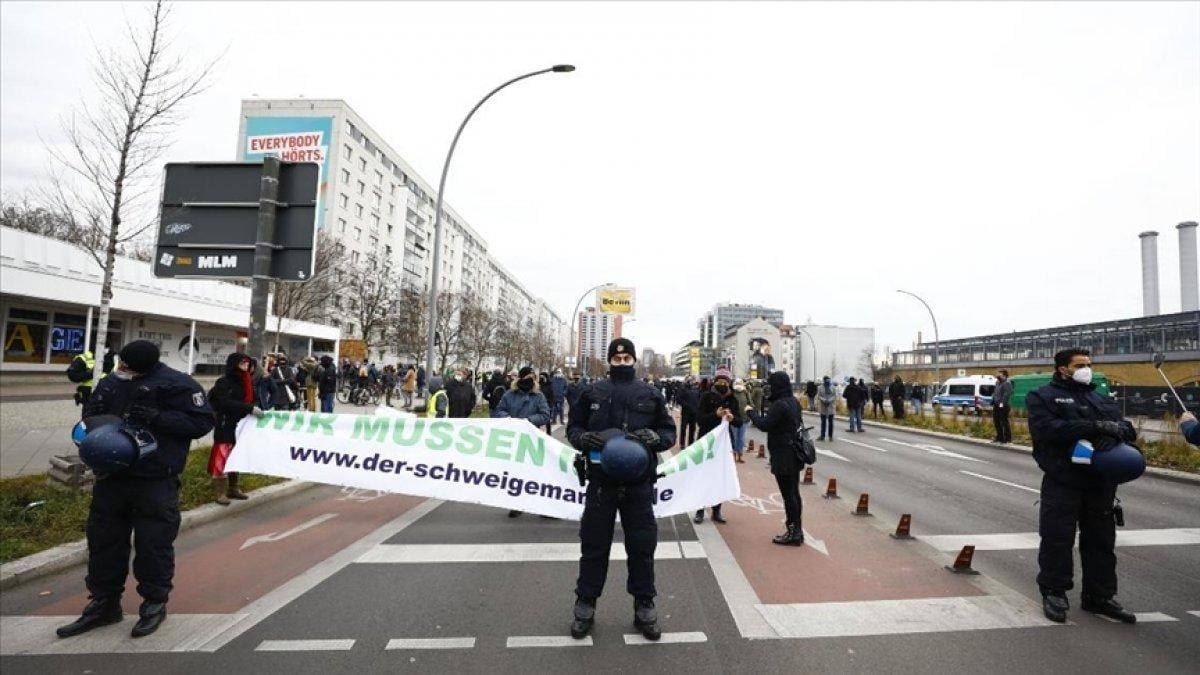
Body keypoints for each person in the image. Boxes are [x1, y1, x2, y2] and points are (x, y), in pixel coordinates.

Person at [58, 341, 214, 639]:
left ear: (144, 366)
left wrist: (158, 418)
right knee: (103, 541)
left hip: (155, 479)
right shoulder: (111, 382)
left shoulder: (177, 384)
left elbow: (202, 421)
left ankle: (154, 603)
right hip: (112, 478)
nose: (122, 370)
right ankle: (104, 603)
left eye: (128, 366)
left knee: (153, 544)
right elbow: (91, 414)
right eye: (122, 364)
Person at [568, 338, 675, 641]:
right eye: (617, 359)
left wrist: (654, 438)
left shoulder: (650, 394)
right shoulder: (592, 392)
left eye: (627, 358)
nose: (622, 362)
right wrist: (584, 439)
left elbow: (669, 432)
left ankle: (644, 604)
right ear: (609, 361)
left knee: (642, 547)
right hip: (602, 482)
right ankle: (585, 604)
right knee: (593, 545)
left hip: (638, 484)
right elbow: (574, 427)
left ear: (634, 360)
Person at [1027, 348, 1138, 625]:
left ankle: (1099, 596)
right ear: (1063, 368)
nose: (1086, 368)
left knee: (1101, 542)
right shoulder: (1042, 397)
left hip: (1100, 483)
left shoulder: (1100, 397)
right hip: (1063, 479)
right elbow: (1048, 430)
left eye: (1088, 364)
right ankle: (1054, 592)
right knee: (1057, 539)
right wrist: (1094, 427)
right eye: (1079, 365)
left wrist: (1112, 433)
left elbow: (1128, 429)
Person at [746, 371, 806, 545]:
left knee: (788, 495)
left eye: (771, 384)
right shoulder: (793, 402)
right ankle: (797, 530)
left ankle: (793, 533)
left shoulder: (779, 405)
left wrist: (751, 412)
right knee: (794, 493)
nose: (768, 388)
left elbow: (765, 425)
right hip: (794, 452)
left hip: (783, 454)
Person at [493, 366, 552, 518]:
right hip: (514, 439)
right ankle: (517, 504)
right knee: (516, 473)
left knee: (537, 474)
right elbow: (498, 411)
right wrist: (509, 419)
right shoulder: (509, 395)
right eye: (527, 377)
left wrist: (528, 421)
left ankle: (544, 506)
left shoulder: (538, 396)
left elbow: (545, 415)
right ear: (521, 378)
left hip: (532, 440)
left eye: (533, 377)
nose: (530, 380)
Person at [208, 353, 266, 505]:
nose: (246, 366)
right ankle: (220, 492)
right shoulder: (224, 382)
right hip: (226, 424)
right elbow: (224, 403)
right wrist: (249, 408)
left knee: (236, 456)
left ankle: (233, 488)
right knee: (221, 456)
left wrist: (255, 408)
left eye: (247, 363)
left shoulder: (247, 382)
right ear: (234, 364)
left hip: (241, 426)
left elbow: (251, 400)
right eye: (242, 363)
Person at [694, 367, 741, 523]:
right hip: (707, 441)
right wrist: (715, 415)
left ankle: (717, 510)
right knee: (703, 476)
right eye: (719, 380)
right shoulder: (706, 396)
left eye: (725, 381)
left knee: (720, 477)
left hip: (724, 444)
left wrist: (732, 417)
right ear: (714, 381)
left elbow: (739, 421)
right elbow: (700, 419)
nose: (722, 384)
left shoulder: (732, 399)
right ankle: (700, 510)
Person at [731, 378, 751, 463]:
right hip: (734, 419)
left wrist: (749, 411)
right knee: (734, 438)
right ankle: (734, 455)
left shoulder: (746, 392)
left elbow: (750, 403)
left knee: (741, 439)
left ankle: (740, 455)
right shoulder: (732, 393)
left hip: (744, 419)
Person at [677, 377, 700, 448]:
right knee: (683, 428)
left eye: (693, 380)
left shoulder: (696, 389)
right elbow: (679, 399)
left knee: (692, 429)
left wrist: (697, 408)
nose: (692, 381)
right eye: (690, 380)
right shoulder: (683, 389)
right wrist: (686, 405)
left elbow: (699, 399)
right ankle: (682, 443)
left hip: (694, 413)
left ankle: (691, 443)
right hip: (686, 412)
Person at [992, 369, 1014, 444]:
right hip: (996, 404)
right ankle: (999, 437)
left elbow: (1007, 395)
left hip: (1003, 406)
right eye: (997, 373)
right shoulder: (997, 382)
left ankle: (1007, 438)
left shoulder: (1007, 383)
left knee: (1004, 422)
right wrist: (993, 400)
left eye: (999, 374)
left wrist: (1001, 404)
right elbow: (995, 392)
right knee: (996, 422)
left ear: (1004, 375)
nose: (997, 375)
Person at [815, 376, 836, 441]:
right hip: (823, 407)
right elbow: (818, 396)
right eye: (826, 380)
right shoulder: (820, 387)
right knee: (823, 422)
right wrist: (824, 400)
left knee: (831, 423)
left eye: (828, 380)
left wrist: (830, 400)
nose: (828, 381)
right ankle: (822, 436)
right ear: (824, 380)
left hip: (831, 407)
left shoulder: (832, 387)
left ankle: (830, 436)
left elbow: (834, 395)